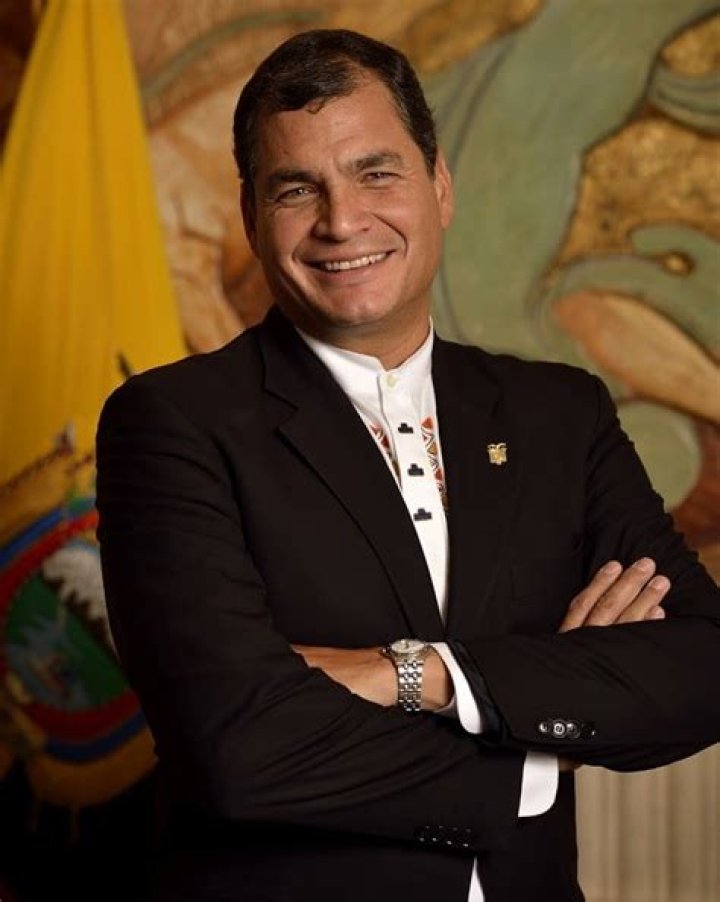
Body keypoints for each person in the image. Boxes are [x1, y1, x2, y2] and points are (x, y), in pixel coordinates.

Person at [95, 29, 720, 902]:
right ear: (250, 217)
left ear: (440, 185)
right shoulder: (172, 423)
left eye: (376, 173)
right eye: (296, 189)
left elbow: (700, 664)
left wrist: (413, 675)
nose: (342, 221)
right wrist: (539, 745)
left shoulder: (558, 413)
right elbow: (235, 747)